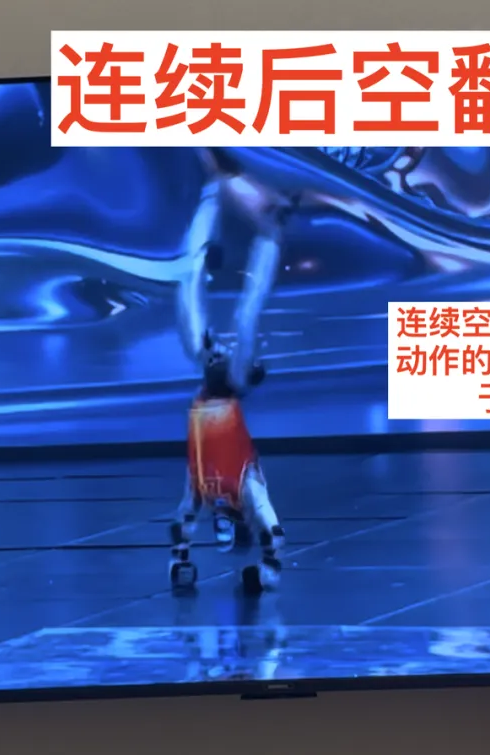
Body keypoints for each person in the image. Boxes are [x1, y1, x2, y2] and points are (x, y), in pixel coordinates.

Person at [168, 149, 291, 596]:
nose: (219, 519)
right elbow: (271, 529)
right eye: (224, 525)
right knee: (241, 313)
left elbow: (184, 514)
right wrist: (268, 564)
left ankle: (221, 199)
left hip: (216, 391)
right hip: (228, 388)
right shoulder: (246, 490)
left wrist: (181, 557)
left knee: (194, 295)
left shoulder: (207, 489)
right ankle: (266, 234)